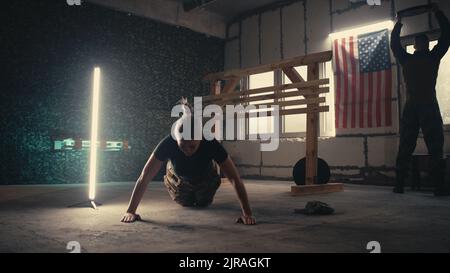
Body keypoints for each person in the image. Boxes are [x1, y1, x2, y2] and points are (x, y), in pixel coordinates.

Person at [121, 100, 256, 225]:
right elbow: (145, 176)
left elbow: (234, 179)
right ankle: (173, 173)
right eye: (182, 145)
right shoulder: (168, 143)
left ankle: (206, 179)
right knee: (187, 203)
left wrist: (247, 213)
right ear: (176, 138)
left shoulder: (211, 143)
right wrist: (130, 211)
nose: (187, 150)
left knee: (203, 203)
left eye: (192, 146)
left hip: (205, 178)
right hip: (179, 178)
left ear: (201, 138)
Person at [391, 4, 450, 196]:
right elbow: (446, 36)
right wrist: (438, 13)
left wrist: (398, 24)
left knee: (411, 145)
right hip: (426, 105)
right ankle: (437, 186)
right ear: (424, 45)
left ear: (416, 46)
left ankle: (401, 184)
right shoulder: (432, 56)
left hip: (415, 105)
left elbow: (395, 45)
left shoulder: (409, 59)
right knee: (432, 145)